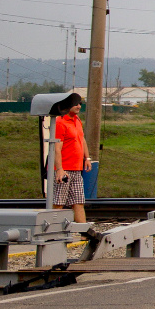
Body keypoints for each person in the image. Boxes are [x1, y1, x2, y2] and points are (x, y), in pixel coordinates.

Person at [52, 95, 89, 223]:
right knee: (59, 202)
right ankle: (52, 229)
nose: (79, 106)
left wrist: (87, 158)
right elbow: (56, 148)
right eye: (75, 104)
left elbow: (82, 139)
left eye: (80, 104)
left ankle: (84, 231)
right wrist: (59, 169)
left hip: (76, 169)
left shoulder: (77, 120)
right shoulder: (60, 122)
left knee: (78, 202)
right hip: (64, 169)